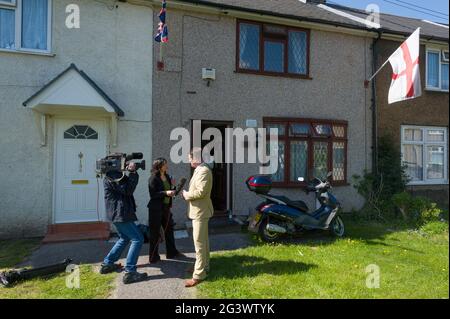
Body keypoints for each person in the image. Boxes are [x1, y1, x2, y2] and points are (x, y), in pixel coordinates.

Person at [100, 162, 148, 284]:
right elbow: (128, 189)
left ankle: (108, 263)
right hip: (120, 214)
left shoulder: (114, 175)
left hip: (117, 213)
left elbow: (125, 188)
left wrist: (131, 172)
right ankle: (130, 272)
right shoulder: (114, 175)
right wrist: (132, 172)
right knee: (138, 239)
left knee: (124, 238)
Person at [182, 148, 214, 288]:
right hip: (199, 211)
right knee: (203, 242)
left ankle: (198, 275)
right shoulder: (199, 169)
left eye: (190, 158)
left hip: (201, 212)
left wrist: (186, 195)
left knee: (199, 244)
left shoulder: (204, 171)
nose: (189, 160)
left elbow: (201, 192)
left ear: (196, 158)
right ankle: (202, 267)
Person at [148, 158, 184, 263]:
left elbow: (171, 191)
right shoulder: (153, 178)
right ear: (159, 166)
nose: (166, 166)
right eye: (164, 164)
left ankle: (172, 253)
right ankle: (153, 257)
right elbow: (153, 195)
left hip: (166, 208)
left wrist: (175, 187)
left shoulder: (167, 176)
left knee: (169, 230)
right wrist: (165, 193)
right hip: (155, 209)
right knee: (154, 233)